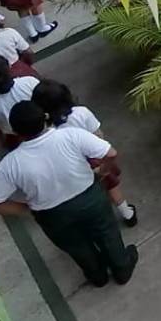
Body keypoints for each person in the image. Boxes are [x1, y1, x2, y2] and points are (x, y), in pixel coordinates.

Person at [0, 100, 138, 287]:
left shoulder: (9, 165)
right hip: (90, 198)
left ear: (15, 132)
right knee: (107, 232)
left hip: (52, 215)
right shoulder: (71, 135)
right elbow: (111, 153)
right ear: (45, 119)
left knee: (76, 247)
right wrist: (104, 171)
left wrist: (29, 209)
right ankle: (121, 268)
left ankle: (97, 276)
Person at [32, 78, 138, 226]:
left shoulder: (46, 127)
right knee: (110, 184)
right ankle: (127, 213)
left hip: (70, 164)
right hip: (93, 157)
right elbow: (98, 134)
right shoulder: (81, 112)